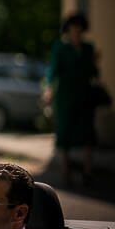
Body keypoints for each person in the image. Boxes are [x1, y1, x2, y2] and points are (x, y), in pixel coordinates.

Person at [42, 12, 99, 185]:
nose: (76, 30)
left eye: (79, 27)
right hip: (66, 95)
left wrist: (96, 63)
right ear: (68, 29)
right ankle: (66, 171)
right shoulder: (60, 48)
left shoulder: (88, 48)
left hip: (84, 94)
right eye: (73, 27)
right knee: (64, 130)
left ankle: (87, 171)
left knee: (86, 132)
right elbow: (53, 70)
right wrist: (49, 89)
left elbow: (94, 73)